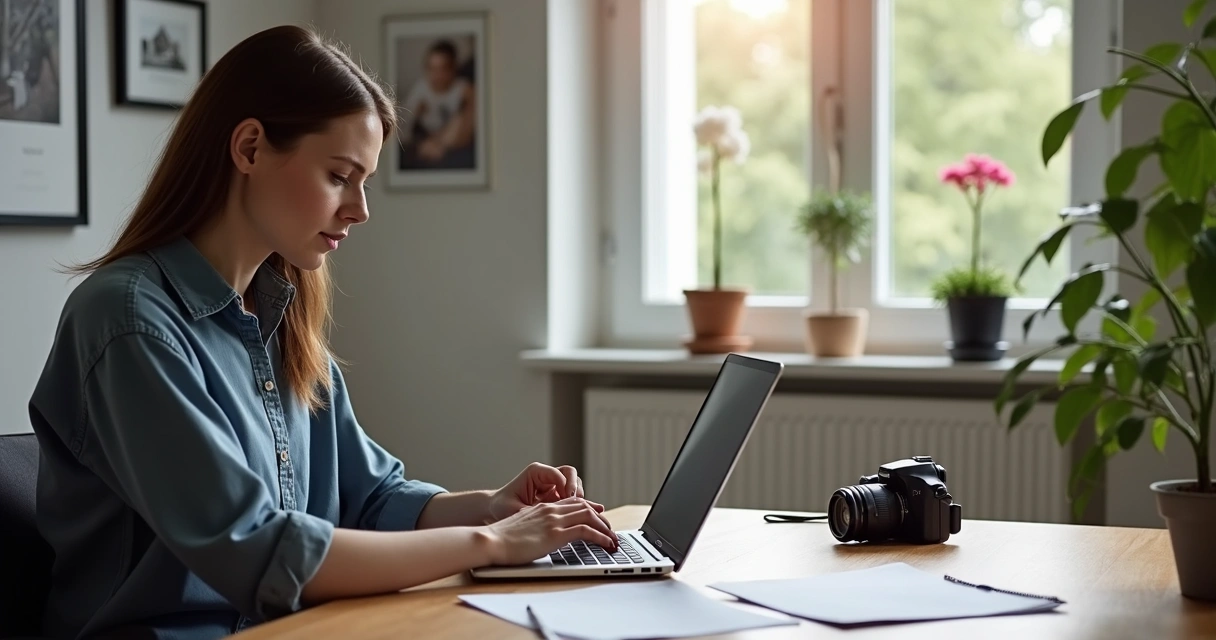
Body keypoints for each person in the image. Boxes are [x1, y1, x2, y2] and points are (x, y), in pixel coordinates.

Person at [27, 25, 616, 640]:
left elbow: (372, 498)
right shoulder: (129, 323)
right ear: (250, 148)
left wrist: (495, 506)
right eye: (340, 176)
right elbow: (253, 546)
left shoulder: (279, 318)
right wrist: (490, 542)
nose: (360, 209)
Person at [398, 38, 476, 170]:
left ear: (453, 69)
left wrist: (439, 141)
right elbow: (406, 125)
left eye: (442, 69)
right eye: (432, 69)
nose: (437, 76)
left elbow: (465, 126)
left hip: (449, 137)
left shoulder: (464, 89)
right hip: (424, 135)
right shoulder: (420, 89)